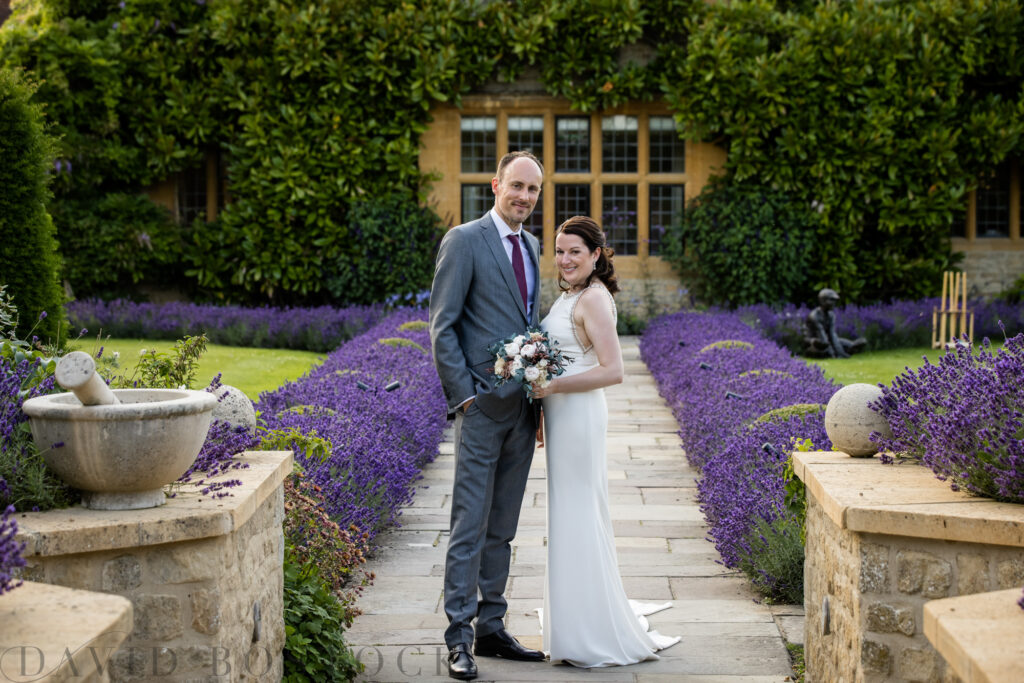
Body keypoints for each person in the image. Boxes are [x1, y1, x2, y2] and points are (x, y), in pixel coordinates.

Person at [530, 216, 680, 667]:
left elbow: (613, 370)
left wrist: (552, 389)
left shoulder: (594, 298)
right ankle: (575, 618)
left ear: (596, 254)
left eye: (575, 251)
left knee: (577, 512)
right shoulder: (571, 294)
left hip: (578, 417)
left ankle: (588, 628)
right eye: (559, 250)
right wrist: (541, 405)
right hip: (560, 416)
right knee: (568, 513)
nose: (565, 259)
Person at [429, 150, 548, 680]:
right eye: (517, 186)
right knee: (469, 525)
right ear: (495, 185)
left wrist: (540, 399)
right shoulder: (464, 240)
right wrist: (466, 398)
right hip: (480, 410)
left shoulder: (534, 246)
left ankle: (492, 626)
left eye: (534, 190)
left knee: (502, 527)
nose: (524, 196)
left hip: (522, 411)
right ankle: (459, 637)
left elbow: (530, 325)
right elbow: (443, 326)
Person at [803, 288, 867, 358]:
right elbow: (823, 338)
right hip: (814, 342)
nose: (834, 303)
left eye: (834, 300)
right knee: (827, 349)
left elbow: (832, 335)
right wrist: (841, 353)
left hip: (826, 340)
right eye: (831, 300)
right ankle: (839, 352)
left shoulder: (831, 315)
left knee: (846, 344)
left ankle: (850, 347)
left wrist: (841, 352)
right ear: (823, 301)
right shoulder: (814, 316)